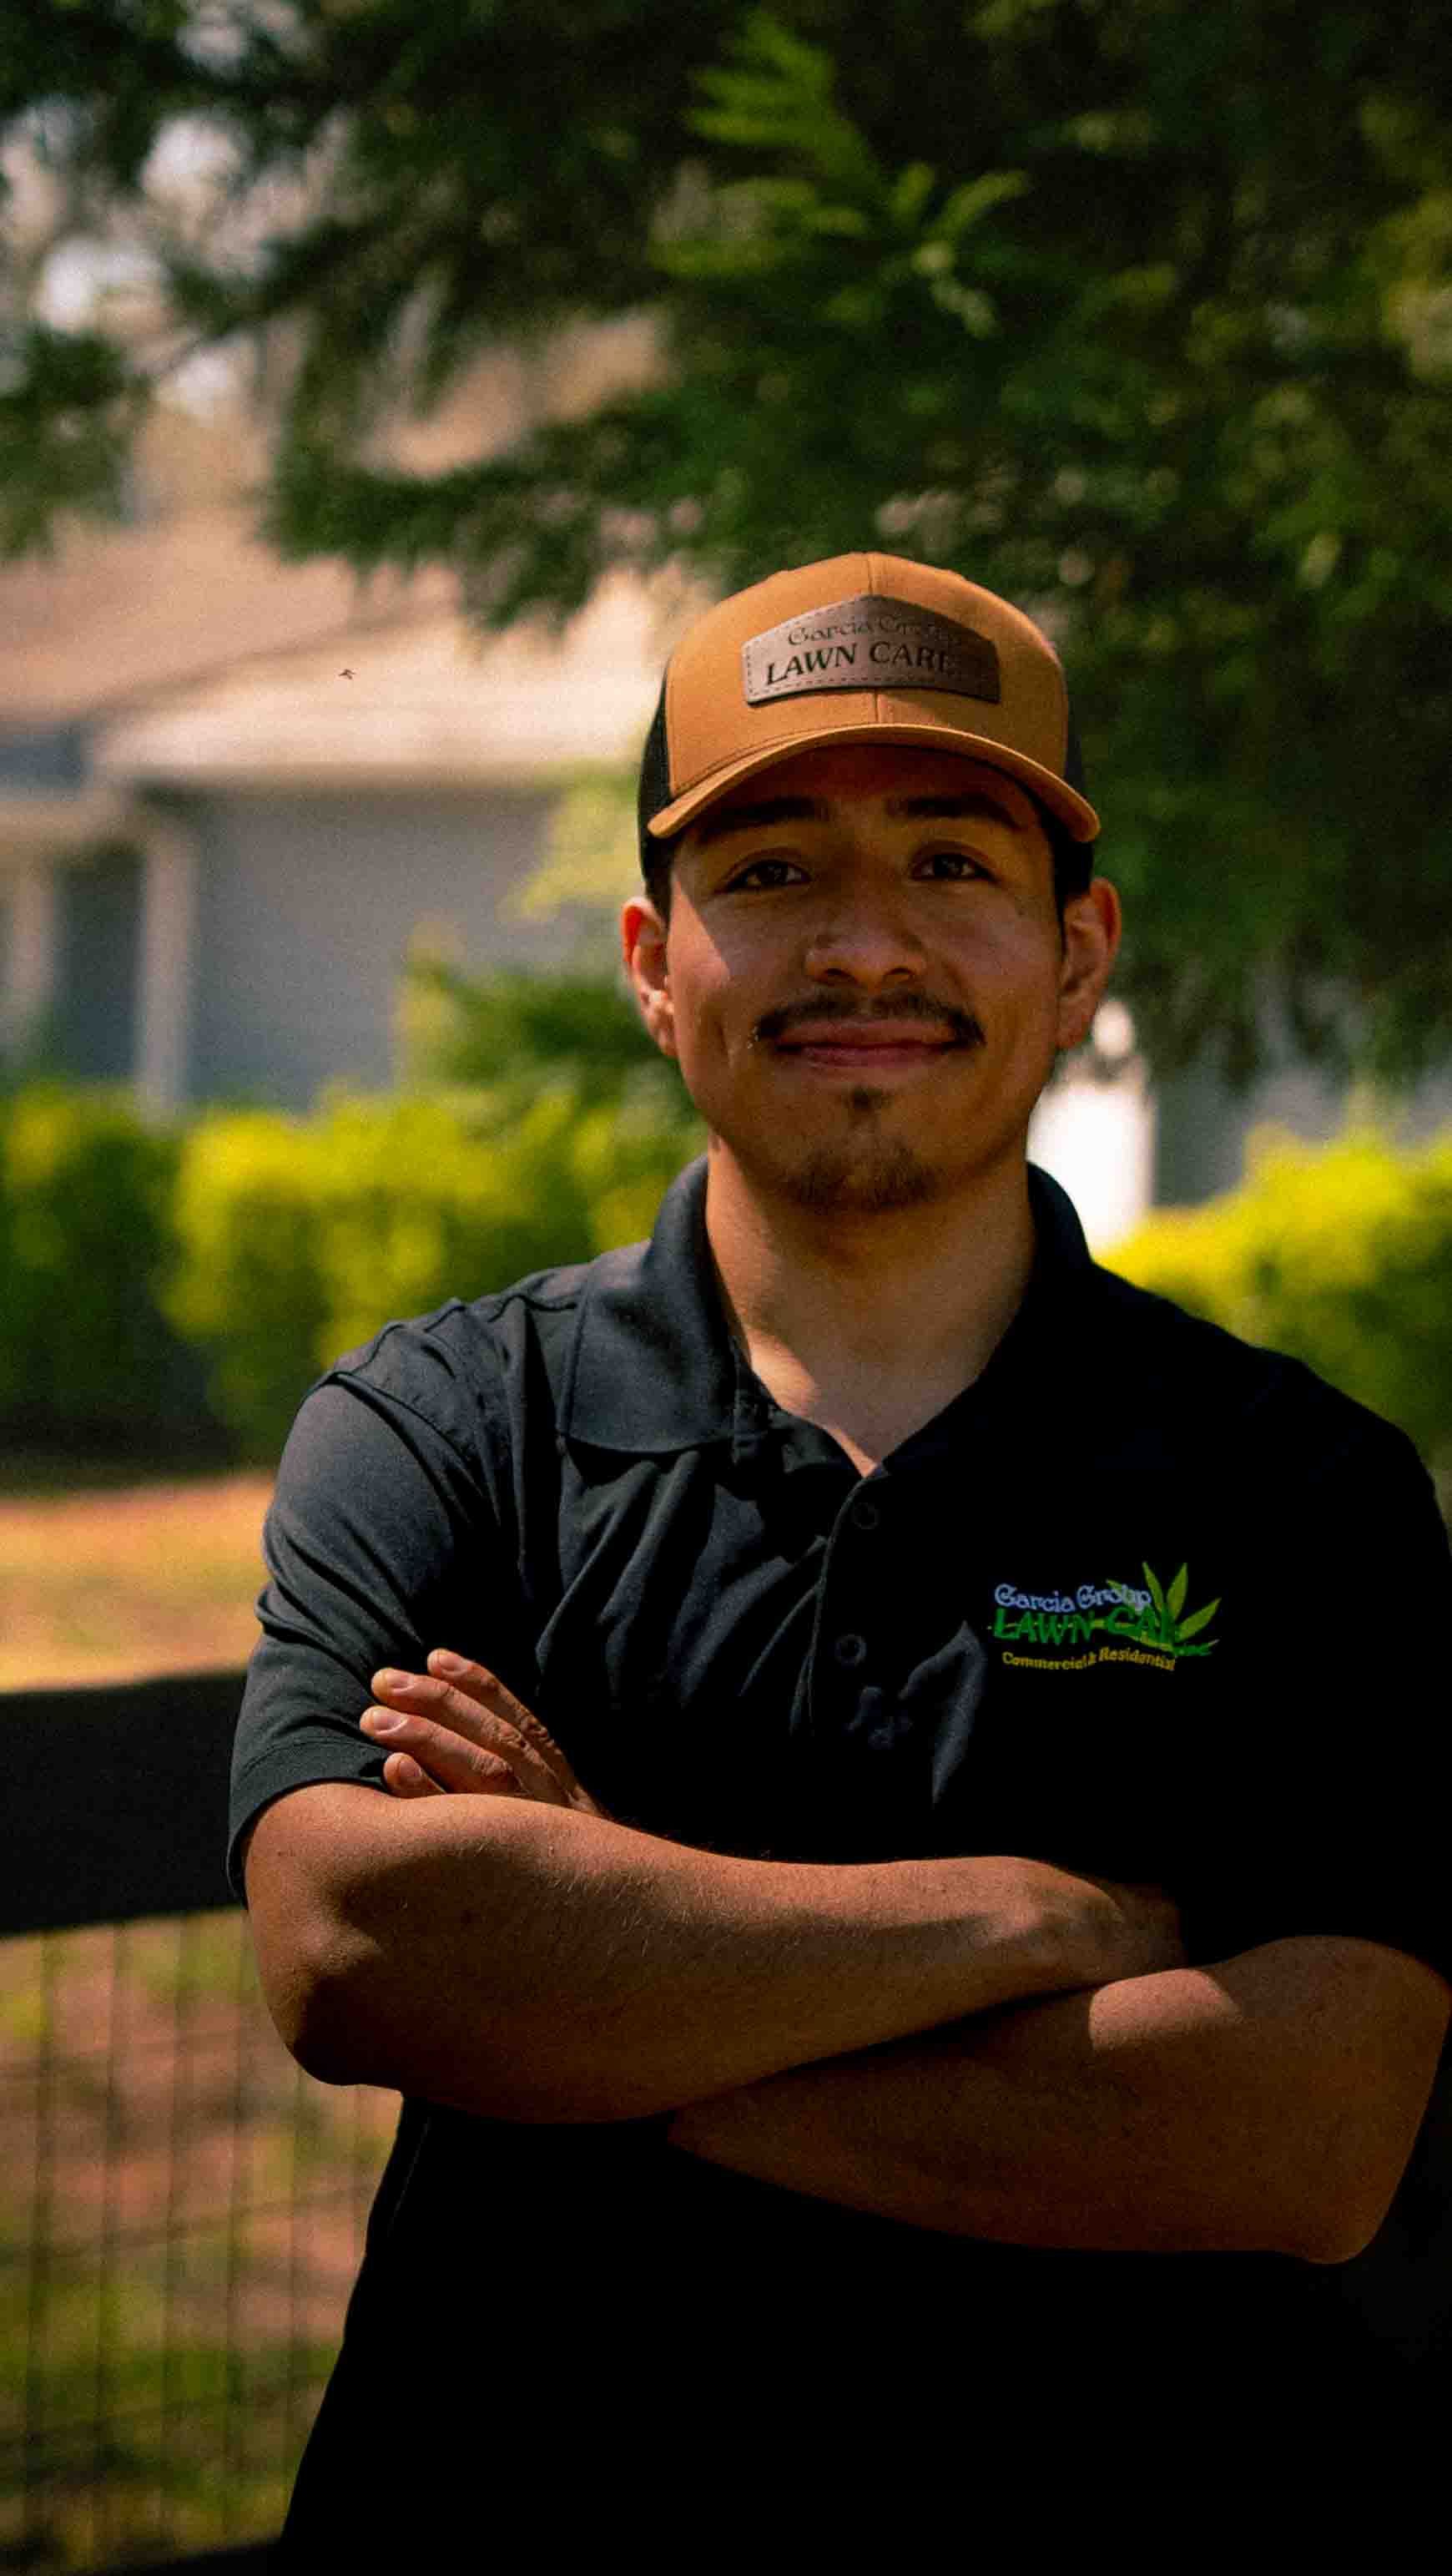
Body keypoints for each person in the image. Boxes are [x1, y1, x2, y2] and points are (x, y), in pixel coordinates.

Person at [234, 553, 1452, 2537]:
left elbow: (1301, 2130)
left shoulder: (1297, 1495)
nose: (863, 947)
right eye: (775, 871)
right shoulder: (449, 1430)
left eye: (954, 866)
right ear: (652, 957)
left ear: (1077, 954)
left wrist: (604, 1988)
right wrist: (1045, 1921)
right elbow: (366, 1947)